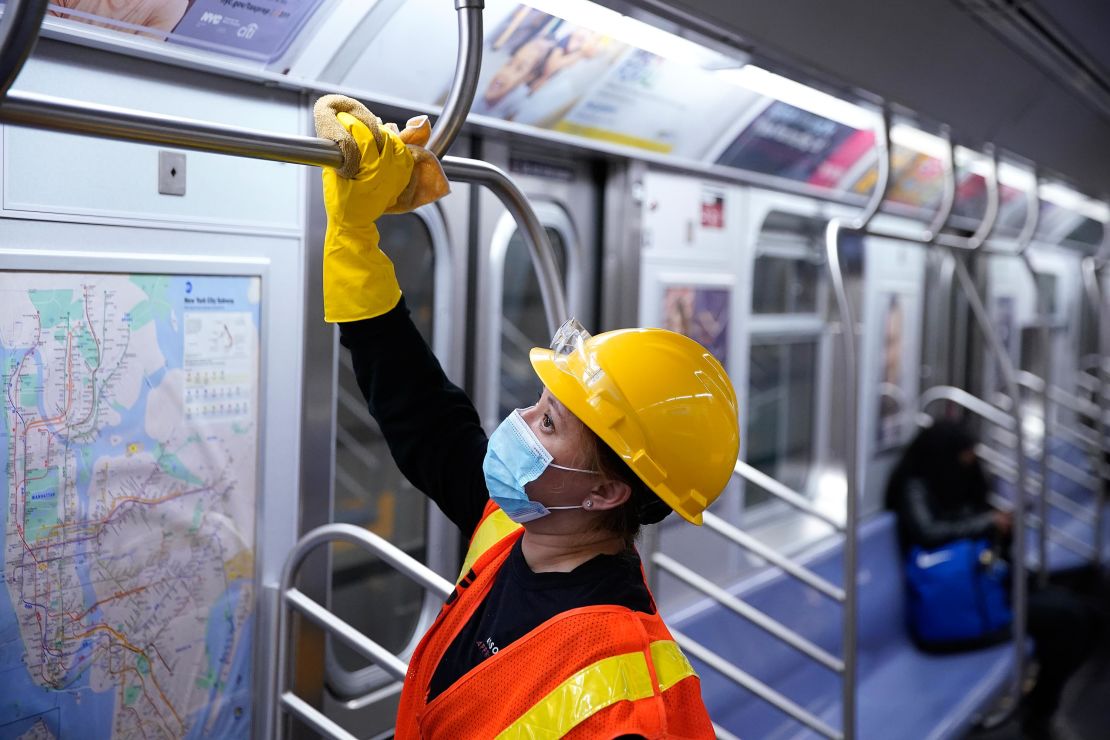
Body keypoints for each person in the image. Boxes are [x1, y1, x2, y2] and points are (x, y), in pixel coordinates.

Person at [318, 104, 739, 737]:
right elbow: (421, 410)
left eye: (548, 424)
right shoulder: (514, 529)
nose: (518, 420)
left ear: (604, 491)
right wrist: (355, 237)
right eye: (539, 403)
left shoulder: (625, 702)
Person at [885, 421, 1096, 739]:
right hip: (961, 603)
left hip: (983, 587)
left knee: (1081, 614)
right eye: (965, 454)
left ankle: (1040, 703)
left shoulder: (960, 479)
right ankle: (1040, 710)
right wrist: (987, 523)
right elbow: (928, 533)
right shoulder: (915, 486)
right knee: (1070, 621)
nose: (971, 460)